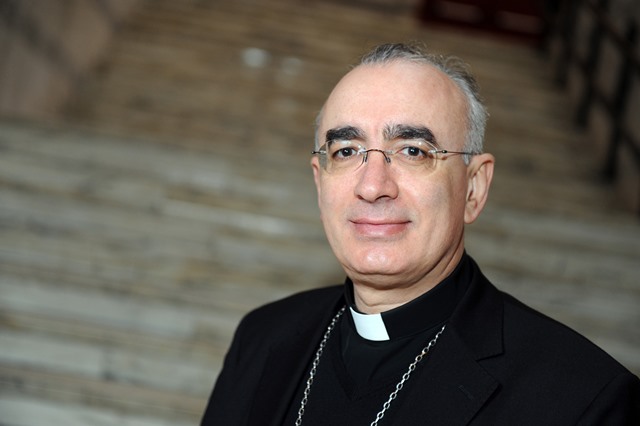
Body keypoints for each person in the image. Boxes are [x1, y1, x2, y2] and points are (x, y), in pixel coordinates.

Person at [201, 42, 640, 425]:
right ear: (320, 183)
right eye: (346, 151)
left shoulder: (584, 401)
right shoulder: (263, 337)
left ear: (473, 188)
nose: (372, 186)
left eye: (412, 150)